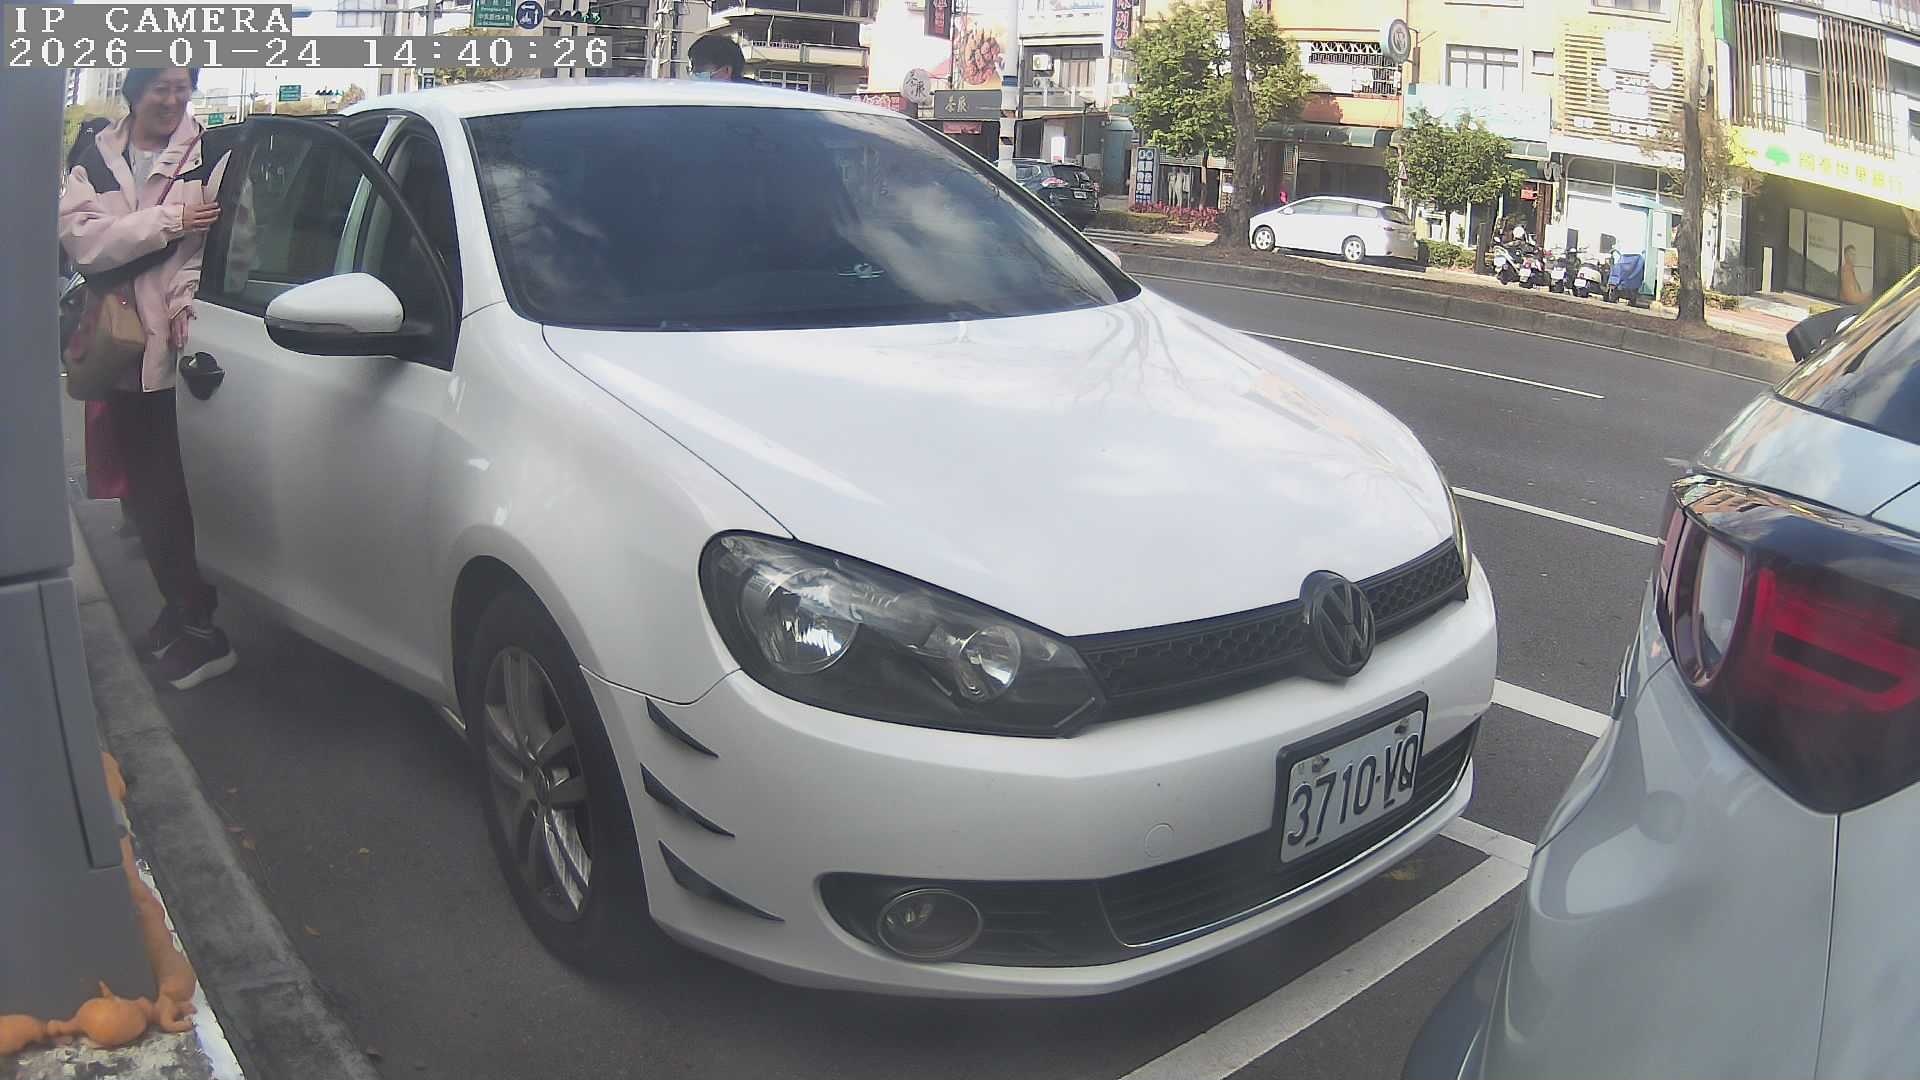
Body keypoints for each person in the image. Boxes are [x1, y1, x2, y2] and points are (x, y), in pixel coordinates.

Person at [59, 67, 236, 691]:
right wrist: (169, 223)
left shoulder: (211, 155)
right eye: (161, 86)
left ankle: (201, 629)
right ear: (133, 90)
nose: (173, 99)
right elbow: (84, 244)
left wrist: (180, 281)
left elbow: (217, 251)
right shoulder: (95, 156)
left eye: (183, 86)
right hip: (119, 350)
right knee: (144, 495)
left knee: (169, 497)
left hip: (179, 354)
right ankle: (179, 610)